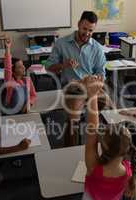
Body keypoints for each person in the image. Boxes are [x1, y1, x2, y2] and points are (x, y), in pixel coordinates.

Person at [45, 11, 112, 146]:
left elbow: (101, 73)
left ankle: (96, 145)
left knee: (107, 105)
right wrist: (64, 65)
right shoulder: (61, 43)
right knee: (74, 112)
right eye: (84, 29)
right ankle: (70, 147)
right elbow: (48, 67)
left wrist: (98, 78)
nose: (87, 33)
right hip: (72, 86)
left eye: (90, 31)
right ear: (78, 25)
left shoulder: (97, 48)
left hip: (91, 85)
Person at [83, 76, 135, 200]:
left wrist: (93, 96)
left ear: (103, 146)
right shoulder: (128, 172)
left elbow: (92, 131)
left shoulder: (93, 168)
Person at [4, 37, 37, 114]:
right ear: (13, 71)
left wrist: (28, 103)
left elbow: (33, 95)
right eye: (19, 67)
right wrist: (8, 48)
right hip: (12, 113)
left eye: (23, 65)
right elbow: (7, 67)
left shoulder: (27, 80)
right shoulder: (10, 81)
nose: (23, 68)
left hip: (26, 110)